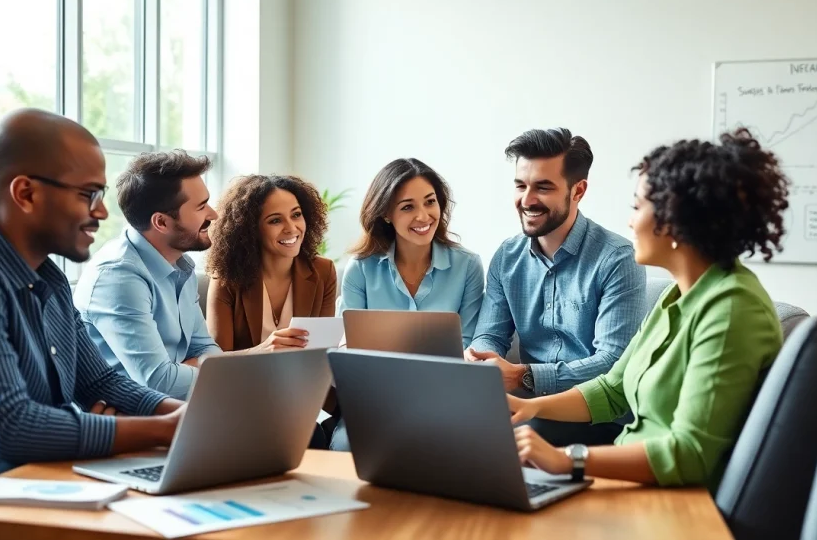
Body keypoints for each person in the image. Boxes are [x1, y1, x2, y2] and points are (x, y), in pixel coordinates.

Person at [0, 109, 185, 493]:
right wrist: (163, 431)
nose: (102, 212)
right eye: (88, 194)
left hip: (36, 474)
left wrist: (186, 415)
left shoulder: (47, 276)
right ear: (26, 193)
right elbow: (13, 427)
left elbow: (101, 381)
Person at [508, 128, 787, 491]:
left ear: (675, 218)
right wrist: (531, 407)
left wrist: (566, 460)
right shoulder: (679, 297)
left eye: (637, 207)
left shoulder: (732, 308)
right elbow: (612, 390)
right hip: (631, 486)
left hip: (675, 503)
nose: (629, 221)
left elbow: (690, 453)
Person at [466, 128, 646, 447]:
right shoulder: (507, 257)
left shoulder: (618, 259)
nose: (527, 199)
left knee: (513, 435)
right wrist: (484, 360)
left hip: (593, 413)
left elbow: (613, 362)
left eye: (543, 187)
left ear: (578, 191)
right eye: (521, 185)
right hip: (525, 404)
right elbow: (490, 334)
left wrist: (523, 375)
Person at [332, 158, 485, 451]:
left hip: (446, 397)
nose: (423, 215)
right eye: (407, 207)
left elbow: (468, 343)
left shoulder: (467, 266)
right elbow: (346, 345)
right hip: (376, 398)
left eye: (430, 202)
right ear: (386, 214)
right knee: (345, 446)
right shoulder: (361, 268)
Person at [74, 151, 224, 400]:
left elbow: (206, 349)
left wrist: (184, 372)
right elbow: (160, 382)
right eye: (201, 207)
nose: (213, 214)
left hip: (182, 406)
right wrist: (196, 371)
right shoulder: (119, 277)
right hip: (126, 421)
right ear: (161, 223)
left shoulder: (180, 264)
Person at [204, 174, 336, 352]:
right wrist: (261, 350)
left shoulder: (324, 271)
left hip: (302, 378)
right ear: (250, 229)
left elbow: (323, 351)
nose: (291, 228)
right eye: (275, 220)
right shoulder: (226, 277)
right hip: (243, 379)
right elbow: (216, 360)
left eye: (296, 215)